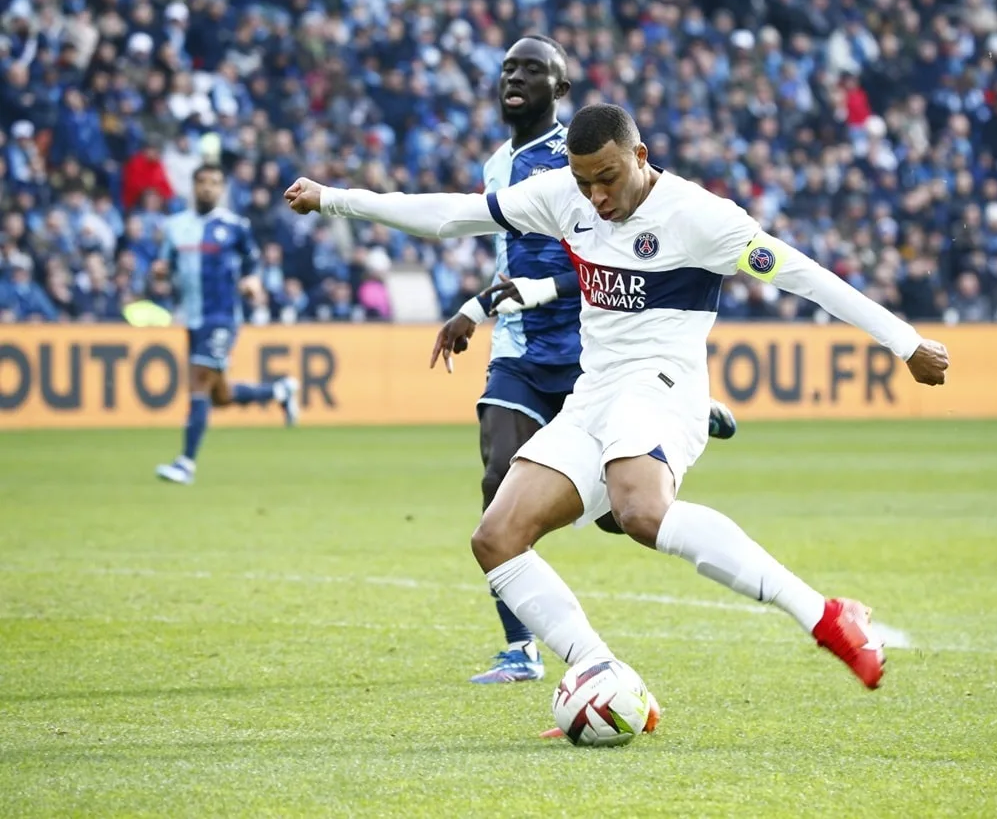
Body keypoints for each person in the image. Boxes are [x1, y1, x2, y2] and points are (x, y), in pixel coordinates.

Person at [283, 103, 949, 733]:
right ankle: (600, 668)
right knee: (496, 538)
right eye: (585, 183)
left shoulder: (700, 216)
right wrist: (336, 198)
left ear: (640, 155)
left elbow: (804, 275)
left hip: (664, 387)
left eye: (608, 178)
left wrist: (906, 342)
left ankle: (829, 617)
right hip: (594, 394)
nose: (597, 197)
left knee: (640, 512)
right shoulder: (562, 195)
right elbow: (452, 217)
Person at [428, 36, 738, 684]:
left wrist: (534, 294)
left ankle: (680, 406)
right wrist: (478, 311)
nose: (516, 76)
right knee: (497, 482)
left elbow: (612, 262)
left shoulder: (587, 161)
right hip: (520, 345)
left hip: (595, 349)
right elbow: (510, 262)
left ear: (560, 89)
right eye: (509, 65)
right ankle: (520, 648)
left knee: (619, 521)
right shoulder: (496, 166)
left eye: (533, 69)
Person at [155, 164, 300, 485]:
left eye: (215, 183)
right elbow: (165, 264)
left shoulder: (234, 226)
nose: (208, 188)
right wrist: (160, 273)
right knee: (220, 395)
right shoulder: (175, 227)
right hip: (191, 317)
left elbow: (252, 264)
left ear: (222, 189)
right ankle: (279, 390)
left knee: (198, 381)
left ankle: (186, 463)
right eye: (203, 182)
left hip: (221, 317)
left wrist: (252, 282)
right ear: (193, 187)